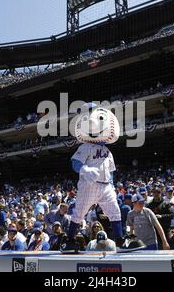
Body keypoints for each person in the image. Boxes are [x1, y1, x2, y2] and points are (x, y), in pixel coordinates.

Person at [64, 105, 124, 251]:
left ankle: (121, 241)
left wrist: (112, 184)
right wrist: (85, 169)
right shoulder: (85, 147)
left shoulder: (108, 151)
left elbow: (111, 170)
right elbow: (75, 163)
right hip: (89, 185)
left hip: (106, 186)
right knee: (79, 214)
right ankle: (69, 241)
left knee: (115, 212)